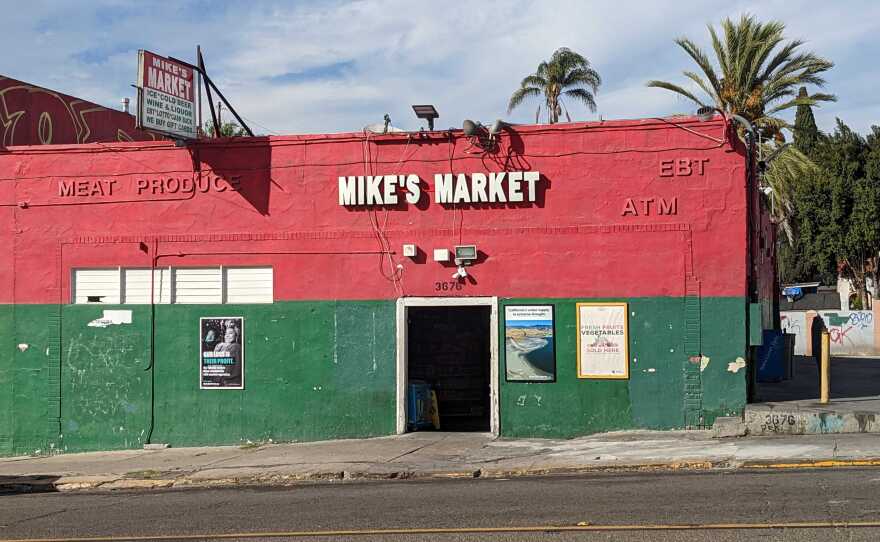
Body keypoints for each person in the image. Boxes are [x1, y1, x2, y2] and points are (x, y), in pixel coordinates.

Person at [213, 320, 242, 387]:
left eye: (231, 333)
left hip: (228, 383)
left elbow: (225, 369)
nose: (227, 336)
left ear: (236, 335)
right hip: (219, 381)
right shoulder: (221, 346)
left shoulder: (236, 347)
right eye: (226, 333)